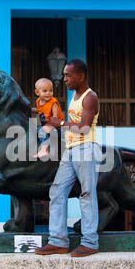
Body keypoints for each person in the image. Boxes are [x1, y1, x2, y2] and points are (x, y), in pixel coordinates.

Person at [35, 59, 101, 257]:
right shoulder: (74, 96)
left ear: (81, 76)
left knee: (87, 194)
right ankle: (58, 241)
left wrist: (60, 122)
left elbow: (85, 127)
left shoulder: (90, 98)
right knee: (56, 191)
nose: (64, 79)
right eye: (64, 75)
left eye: (68, 75)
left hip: (85, 148)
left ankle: (90, 242)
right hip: (71, 149)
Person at [31, 78, 64, 158]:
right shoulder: (38, 101)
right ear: (37, 92)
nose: (48, 93)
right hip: (47, 126)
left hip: (58, 127)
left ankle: (44, 150)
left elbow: (55, 118)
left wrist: (48, 126)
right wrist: (32, 110)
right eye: (45, 91)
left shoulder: (53, 103)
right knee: (36, 130)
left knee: (42, 130)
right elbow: (40, 111)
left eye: (51, 90)